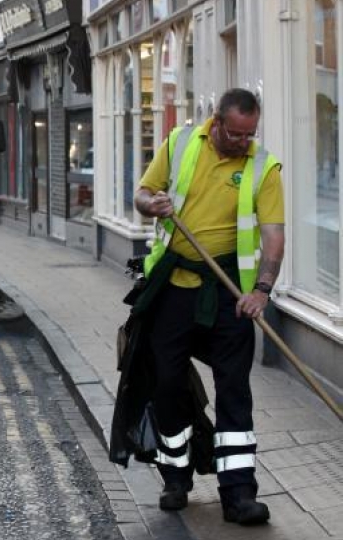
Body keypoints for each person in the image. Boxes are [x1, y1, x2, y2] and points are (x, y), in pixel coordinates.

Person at [134, 88, 284, 526]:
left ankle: (239, 494)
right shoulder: (180, 144)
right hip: (173, 289)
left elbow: (274, 235)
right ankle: (175, 477)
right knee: (167, 383)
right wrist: (153, 205)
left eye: (249, 134)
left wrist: (263, 290)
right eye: (235, 134)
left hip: (230, 293)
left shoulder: (263, 166)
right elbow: (142, 195)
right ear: (216, 122)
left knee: (234, 388)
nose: (243, 142)